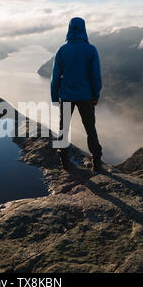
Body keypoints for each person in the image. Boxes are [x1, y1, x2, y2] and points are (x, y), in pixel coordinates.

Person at [51, 17, 103, 172]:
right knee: (90, 128)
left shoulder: (62, 50)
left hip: (66, 96)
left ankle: (64, 162)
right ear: (84, 29)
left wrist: (55, 97)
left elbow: (55, 77)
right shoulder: (91, 49)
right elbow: (96, 77)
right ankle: (97, 163)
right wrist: (96, 95)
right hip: (86, 97)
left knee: (63, 128)